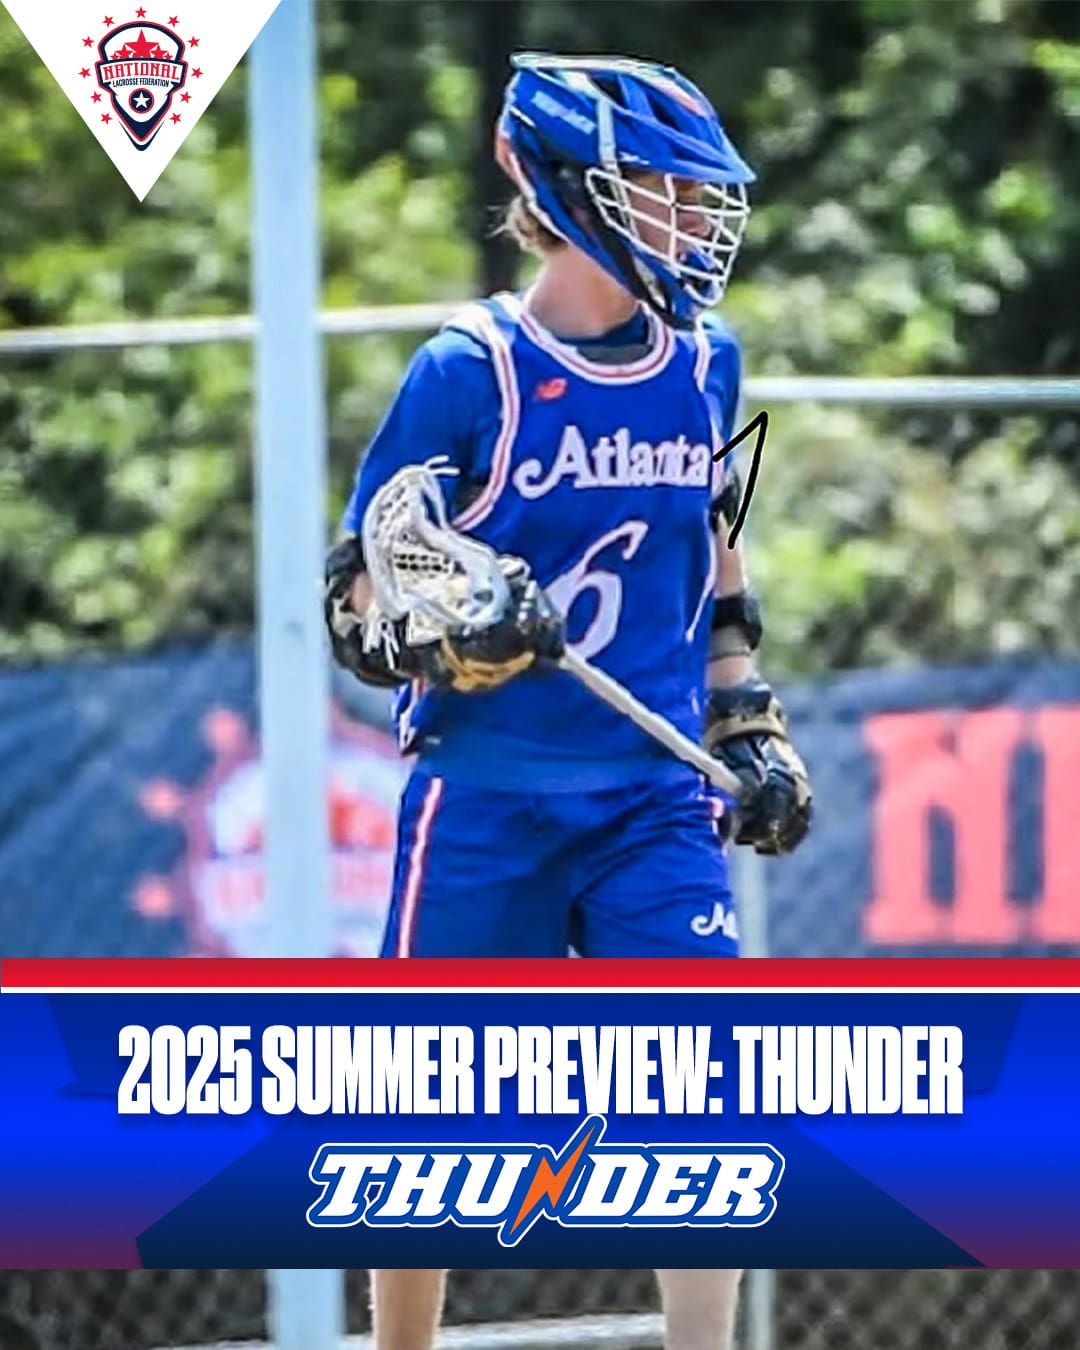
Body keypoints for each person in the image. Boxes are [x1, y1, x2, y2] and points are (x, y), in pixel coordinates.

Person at [325, 51, 811, 1350]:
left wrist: (747, 715)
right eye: (664, 189)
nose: (692, 218)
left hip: (650, 799)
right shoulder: (468, 370)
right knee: (426, 1111)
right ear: (573, 190)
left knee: (704, 1089)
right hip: (487, 798)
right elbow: (361, 598)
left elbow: (714, 550)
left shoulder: (703, 361)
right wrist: (456, 634)